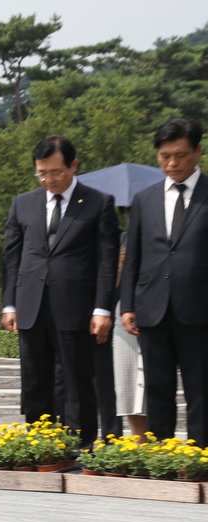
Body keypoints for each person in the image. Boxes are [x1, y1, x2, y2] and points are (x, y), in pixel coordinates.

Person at [2, 135, 118, 448]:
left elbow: (107, 261)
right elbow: (12, 257)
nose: (49, 179)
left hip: (76, 306)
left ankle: (79, 445)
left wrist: (102, 308)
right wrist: (9, 303)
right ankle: (40, 446)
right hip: (32, 304)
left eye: (56, 172)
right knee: (35, 378)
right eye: (42, 173)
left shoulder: (98, 203)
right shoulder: (23, 203)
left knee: (76, 379)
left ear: (73, 166)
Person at [121, 118, 207, 443]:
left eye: (181, 155)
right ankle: (161, 456)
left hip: (199, 311)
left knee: (200, 388)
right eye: (165, 155)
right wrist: (127, 304)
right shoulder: (144, 199)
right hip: (152, 308)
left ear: (197, 151)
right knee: (158, 387)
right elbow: (135, 255)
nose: (172, 163)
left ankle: (201, 457)